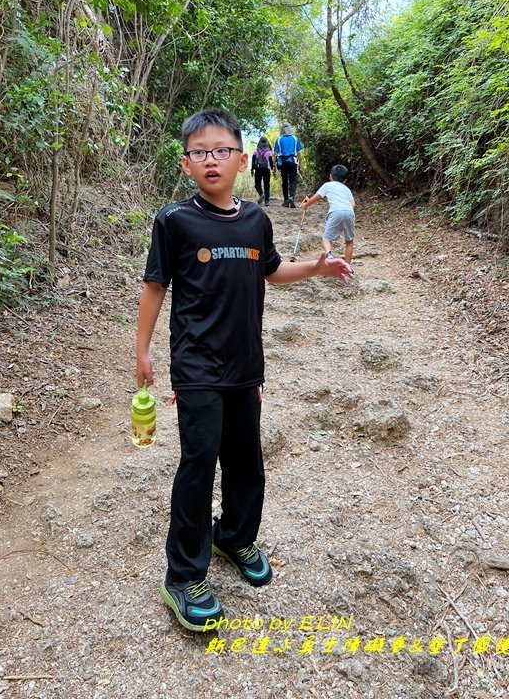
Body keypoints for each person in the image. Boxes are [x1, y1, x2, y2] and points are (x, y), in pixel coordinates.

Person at [136, 109, 353, 633]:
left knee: (245, 460)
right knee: (198, 462)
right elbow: (155, 285)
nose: (211, 160)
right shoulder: (174, 220)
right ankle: (184, 575)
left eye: (221, 150)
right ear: (187, 164)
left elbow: (273, 270)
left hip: (244, 366)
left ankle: (233, 535)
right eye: (199, 152)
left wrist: (318, 268)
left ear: (241, 158)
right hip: (195, 366)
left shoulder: (256, 219)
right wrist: (141, 351)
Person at [300, 164, 356, 264]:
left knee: (326, 238)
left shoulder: (327, 185)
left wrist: (306, 205)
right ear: (345, 180)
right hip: (349, 212)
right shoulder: (347, 189)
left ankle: (329, 256)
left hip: (335, 212)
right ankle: (347, 266)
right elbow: (353, 204)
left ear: (330, 176)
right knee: (349, 241)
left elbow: (315, 198)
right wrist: (345, 211)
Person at [273, 122, 303, 208]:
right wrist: (300, 164)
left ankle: (286, 200)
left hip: (283, 163)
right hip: (293, 162)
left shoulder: (279, 139)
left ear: (282, 130)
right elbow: (298, 153)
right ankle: (291, 197)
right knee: (293, 181)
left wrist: (274, 166)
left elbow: (275, 154)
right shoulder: (295, 138)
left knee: (285, 181)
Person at [251, 135, 275, 206]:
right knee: (266, 185)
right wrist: (273, 170)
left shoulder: (256, 151)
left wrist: (252, 170)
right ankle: (267, 201)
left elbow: (253, 162)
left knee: (257, 184)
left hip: (258, 169)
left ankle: (261, 194)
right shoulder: (269, 152)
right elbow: (271, 163)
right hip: (266, 170)